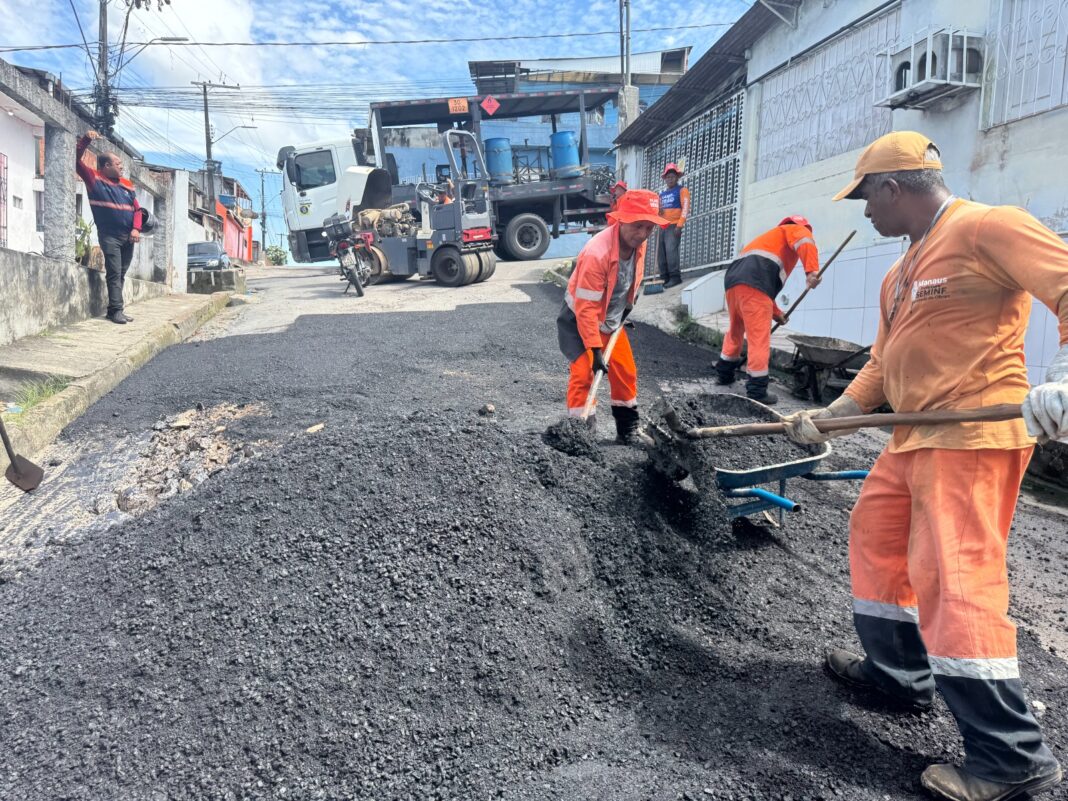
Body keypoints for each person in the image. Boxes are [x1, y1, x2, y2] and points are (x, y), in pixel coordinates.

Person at [784, 130, 1067, 801]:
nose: (864, 212)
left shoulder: (987, 228)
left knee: (954, 579)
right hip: (912, 437)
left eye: (865, 198)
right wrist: (833, 414)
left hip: (970, 436)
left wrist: (1064, 375)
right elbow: (884, 363)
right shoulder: (899, 272)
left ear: (893, 187)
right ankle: (899, 675)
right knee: (876, 539)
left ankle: (1010, 756)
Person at [557, 189, 669, 443]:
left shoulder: (639, 244)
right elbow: (586, 308)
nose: (643, 234)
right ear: (622, 220)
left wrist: (626, 309)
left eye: (649, 228)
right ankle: (581, 435)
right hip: (578, 320)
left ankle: (627, 430)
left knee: (625, 371)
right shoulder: (597, 253)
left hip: (611, 319)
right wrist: (595, 351)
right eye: (638, 226)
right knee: (585, 374)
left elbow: (631, 279)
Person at [715, 216, 820, 403]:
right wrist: (812, 271)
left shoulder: (769, 239)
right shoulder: (796, 229)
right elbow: (805, 239)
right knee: (758, 338)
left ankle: (724, 373)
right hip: (755, 283)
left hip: (733, 282)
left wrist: (777, 314)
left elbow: (760, 294)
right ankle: (757, 389)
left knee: (735, 329)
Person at [76, 130, 142, 325]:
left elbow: (138, 210)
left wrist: (136, 229)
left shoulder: (127, 185)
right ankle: (116, 310)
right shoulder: (93, 178)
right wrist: (86, 139)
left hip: (129, 237)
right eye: (118, 163)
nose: (122, 167)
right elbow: (75, 160)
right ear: (106, 166)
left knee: (121, 273)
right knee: (114, 272)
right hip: (110, 236)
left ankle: (114, 310)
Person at [657, 163, 689, 288]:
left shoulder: (682, 190)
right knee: (661, 254)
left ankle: (675, 277)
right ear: (665, 179)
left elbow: (685, 208)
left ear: (677, 178)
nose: (670, 179)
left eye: (672, 177)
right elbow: (658, 212)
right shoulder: (662, 195)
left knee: (671, 252)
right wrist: (659, 211)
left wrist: (679, 226)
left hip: (674, 226)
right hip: (662, 226)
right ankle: (664, 278)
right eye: (668, 177)